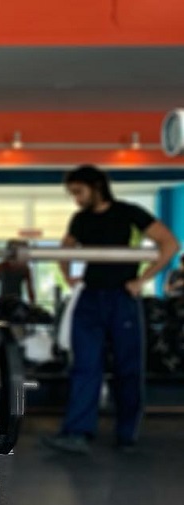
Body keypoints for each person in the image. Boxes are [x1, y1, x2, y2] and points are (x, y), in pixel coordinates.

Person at [43, 165, 178, 454]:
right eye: (72, 193)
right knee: (85, 367)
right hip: (91, 298)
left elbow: (169, 244)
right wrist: (67, 276)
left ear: (96, 187)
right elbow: (63, 250)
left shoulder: (129, 213)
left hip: (122, 298)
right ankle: (78, 434)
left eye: (79, 192)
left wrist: (142, 280)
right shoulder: (80, 219)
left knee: (127, 369)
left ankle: (126, 434)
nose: (76, 199)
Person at [0, 239, 35, 305]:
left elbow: (30, 289)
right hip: (3, 302)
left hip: (17, 302)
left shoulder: (24, 268)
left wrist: (33, 305)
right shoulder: (1, 267)